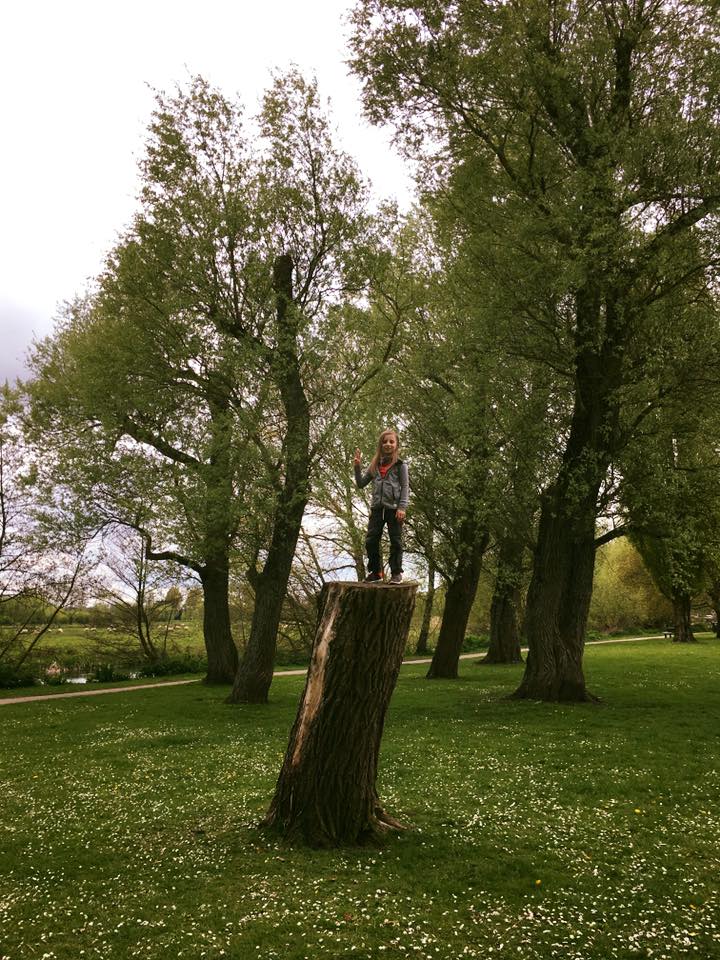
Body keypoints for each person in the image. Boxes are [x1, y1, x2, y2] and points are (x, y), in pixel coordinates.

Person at [353, 429, 409, 583]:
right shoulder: (375, 466)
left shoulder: (400, 465)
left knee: (395, 541)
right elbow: (360, 484)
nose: (388, 444)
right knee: (371, 541)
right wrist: (357, 467)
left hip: (394, 509)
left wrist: (402, 508)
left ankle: (396, 573)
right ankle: (376, 572)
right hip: (377, 509)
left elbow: (405, 487)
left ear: (396, 445)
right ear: (380, 445)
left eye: (391, 441)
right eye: (385, 442)